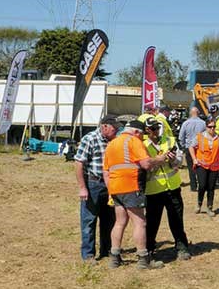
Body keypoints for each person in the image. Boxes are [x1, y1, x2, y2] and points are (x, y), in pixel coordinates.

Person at [103, 119, 171, 270]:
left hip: (115, 188)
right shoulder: (134, 141)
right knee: (140, 223)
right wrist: (159, 159)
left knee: (120, 222)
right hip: (132, 186)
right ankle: (143, 259)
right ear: (136, 132)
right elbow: (146, 164)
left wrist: (111, 191)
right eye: (142, 135)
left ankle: (114, 257)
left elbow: (106, 171)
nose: (142, 138)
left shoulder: (111, 144)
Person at [74, 114, 121, 263]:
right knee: (89, 220)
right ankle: (88, 254)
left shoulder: (114, 141)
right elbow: (79, 163)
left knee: (109, 219)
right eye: (114, 129)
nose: (116, 132)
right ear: (104, 126)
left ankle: (107, 250)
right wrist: (83, 188)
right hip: (93, 184)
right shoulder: (90, 139)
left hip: (110, 185)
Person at [143, 117, 191, 261]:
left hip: (173, 187)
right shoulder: (143, 145)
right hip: (154, 190)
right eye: (153, 129)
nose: (156, 131)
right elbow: (145, 169)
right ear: (147, 130)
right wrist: (158, 161)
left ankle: (182, 247)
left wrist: (172, 160)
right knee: (152, 222)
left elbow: (178, 162)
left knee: (177, 219)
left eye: (158, 128)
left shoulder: (169, 140)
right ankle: (149, 249)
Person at [190, 118, 219, 216]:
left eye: (214, 127)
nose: (212, 129)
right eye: (210, 127)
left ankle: (209, 207)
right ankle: (199, 204)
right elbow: (191, 146)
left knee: (211, 187)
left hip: (214, 166)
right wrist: (194, 159)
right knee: (202, 185)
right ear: (206, 127)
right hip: (202, 165)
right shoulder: (200, 136)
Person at [177, 106, 206, 191]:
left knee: (191, 167)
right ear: (198, 113)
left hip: (189, 147)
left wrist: (183, 146)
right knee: (201, 167)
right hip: (200, 148)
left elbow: (181, 136)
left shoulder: (186, 123)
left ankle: (193, 186)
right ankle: (202, 184)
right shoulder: (203, 123)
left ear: (190, 113)